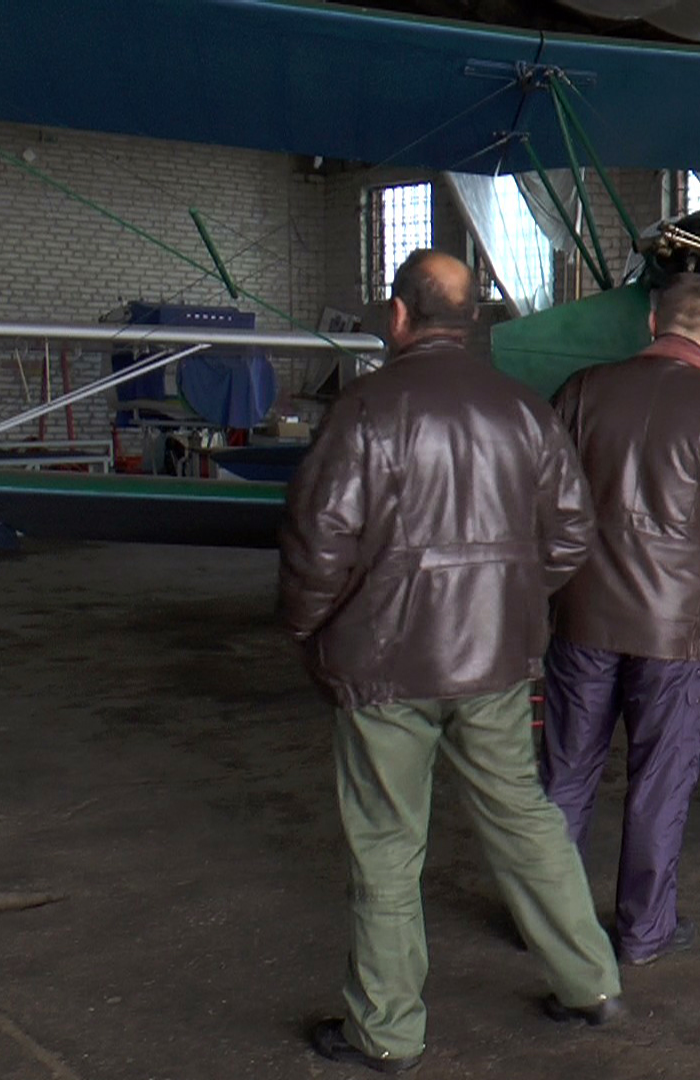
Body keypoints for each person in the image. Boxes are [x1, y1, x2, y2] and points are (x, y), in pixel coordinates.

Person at [280, 250, 623, 1075]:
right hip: (495, 661)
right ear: (470, 321)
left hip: (384, 668)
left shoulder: (363, 411)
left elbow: (318, 547)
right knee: (524, 818)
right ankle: (590, 983)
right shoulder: (522, 409)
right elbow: (571, 533)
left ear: (399, 315)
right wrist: (506, 597)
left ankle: (388, 1032)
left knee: (387, 843)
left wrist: (310, 631)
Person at [542, 272, 700, 966]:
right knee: (660, 779)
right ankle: (644, 932)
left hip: (581, 621)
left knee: (566, 774)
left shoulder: (583, 393)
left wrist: (565, 574)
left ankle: (548, 923)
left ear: (652, 323)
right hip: (674, 633)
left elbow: (537, 494)